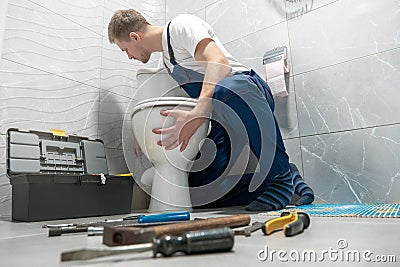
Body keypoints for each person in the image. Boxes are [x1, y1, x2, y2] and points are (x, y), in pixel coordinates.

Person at [108, 9, 314, 210]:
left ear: (134, 37)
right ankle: (284, 180)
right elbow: (162, 98)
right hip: (221, 116)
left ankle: (280, 177)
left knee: (227, 89)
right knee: (202, 191)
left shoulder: (181, 26)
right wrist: (141, 129)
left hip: (246, 94)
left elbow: (220, 64)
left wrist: (200, 111)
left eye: (125, 49)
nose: (129, 57)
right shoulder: (167, 63)